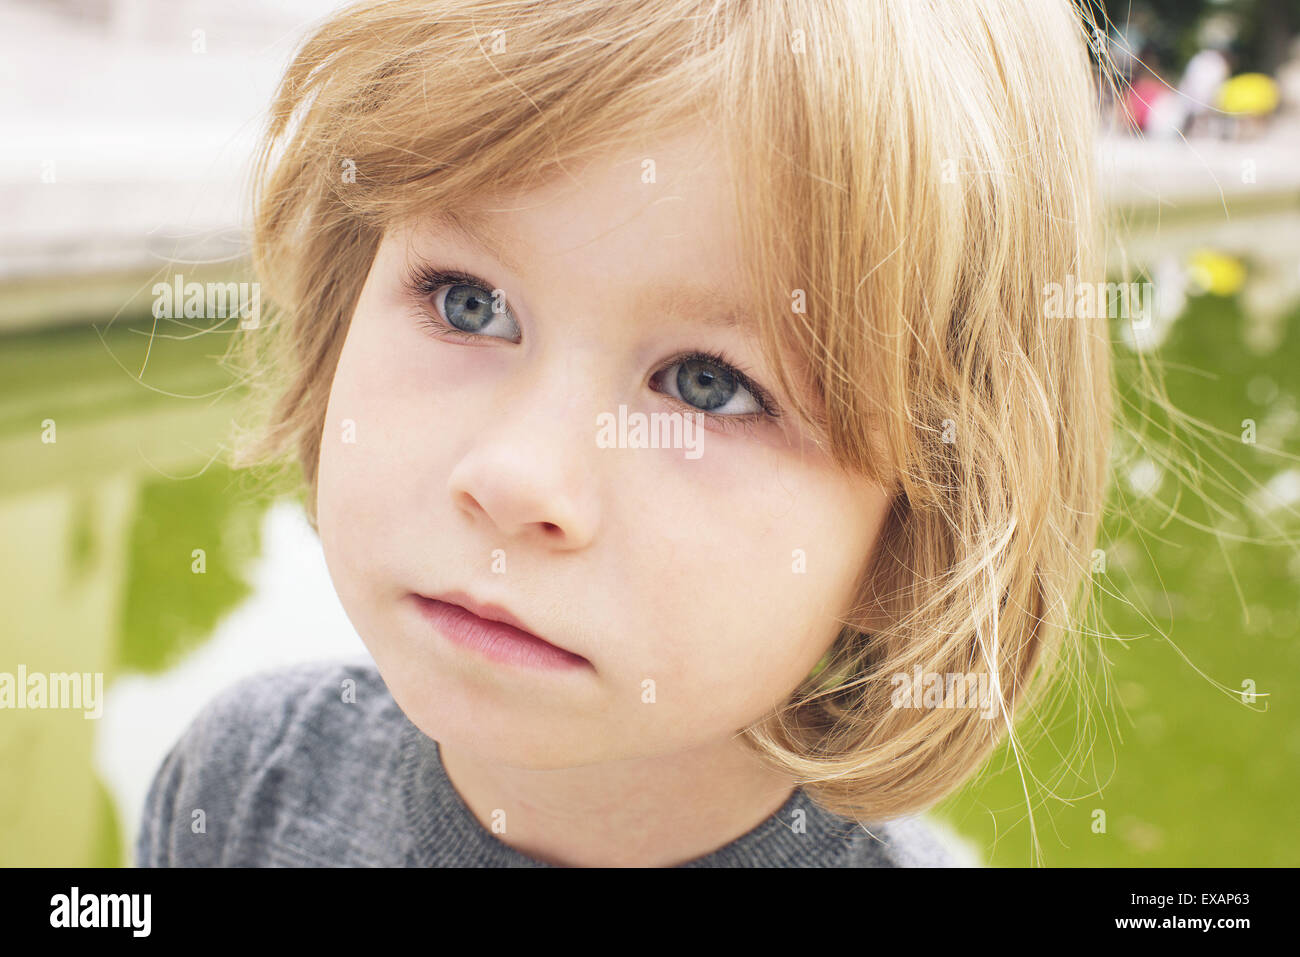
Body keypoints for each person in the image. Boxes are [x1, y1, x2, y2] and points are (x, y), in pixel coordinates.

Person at [136, 0, 1112, 868]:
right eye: (470, 303)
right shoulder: (244, 786)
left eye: (708, 385)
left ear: (911, 537)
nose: (517, 479)